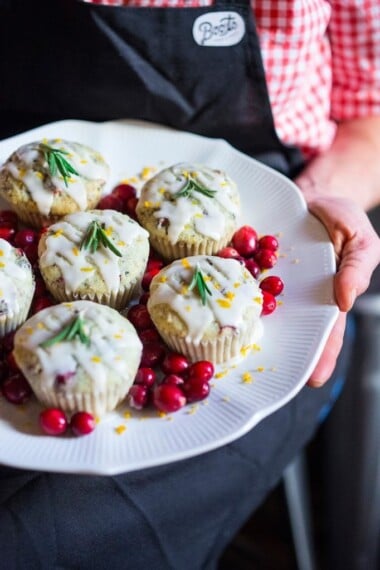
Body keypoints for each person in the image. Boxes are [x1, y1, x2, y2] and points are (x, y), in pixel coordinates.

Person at [0, 1, 379, 568]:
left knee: (41, 536)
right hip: (35, 178)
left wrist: (312, 208)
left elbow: (369, 119)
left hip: (267, 216)